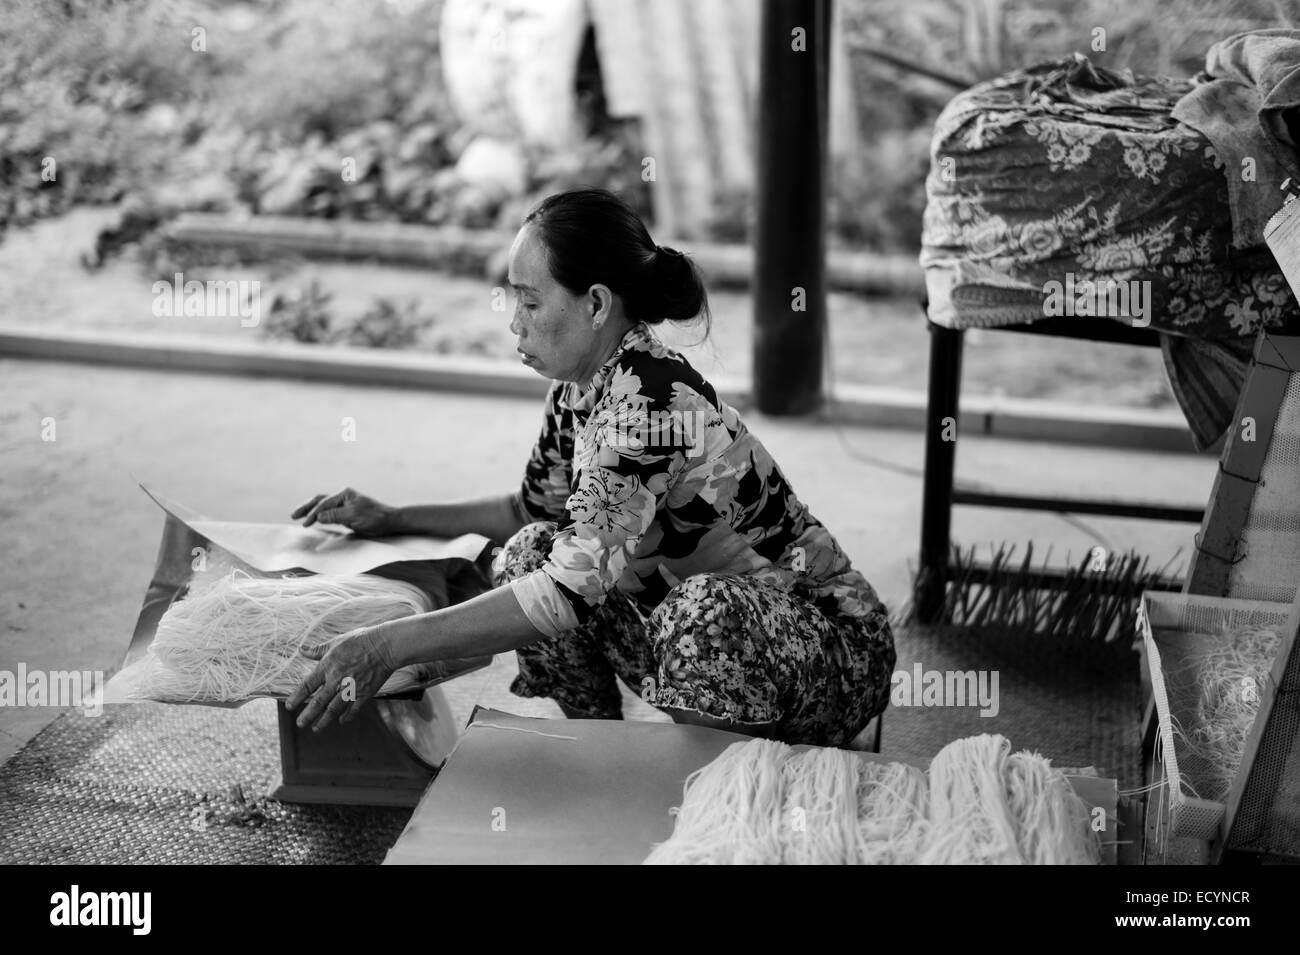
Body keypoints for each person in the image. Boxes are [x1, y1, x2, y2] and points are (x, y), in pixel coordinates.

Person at [287, 188, 895, 747]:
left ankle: (743, 775)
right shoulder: (580, 391)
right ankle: (602, 754)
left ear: (597, 304)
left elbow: (564, 596)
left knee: (691, 611)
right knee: (526, 552)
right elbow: (531, 512)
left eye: (530, 301)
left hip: (830, 651)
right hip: (707, 639)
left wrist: (386, 646)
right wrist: (392, 517)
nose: (514, 322)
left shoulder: (647, 407)